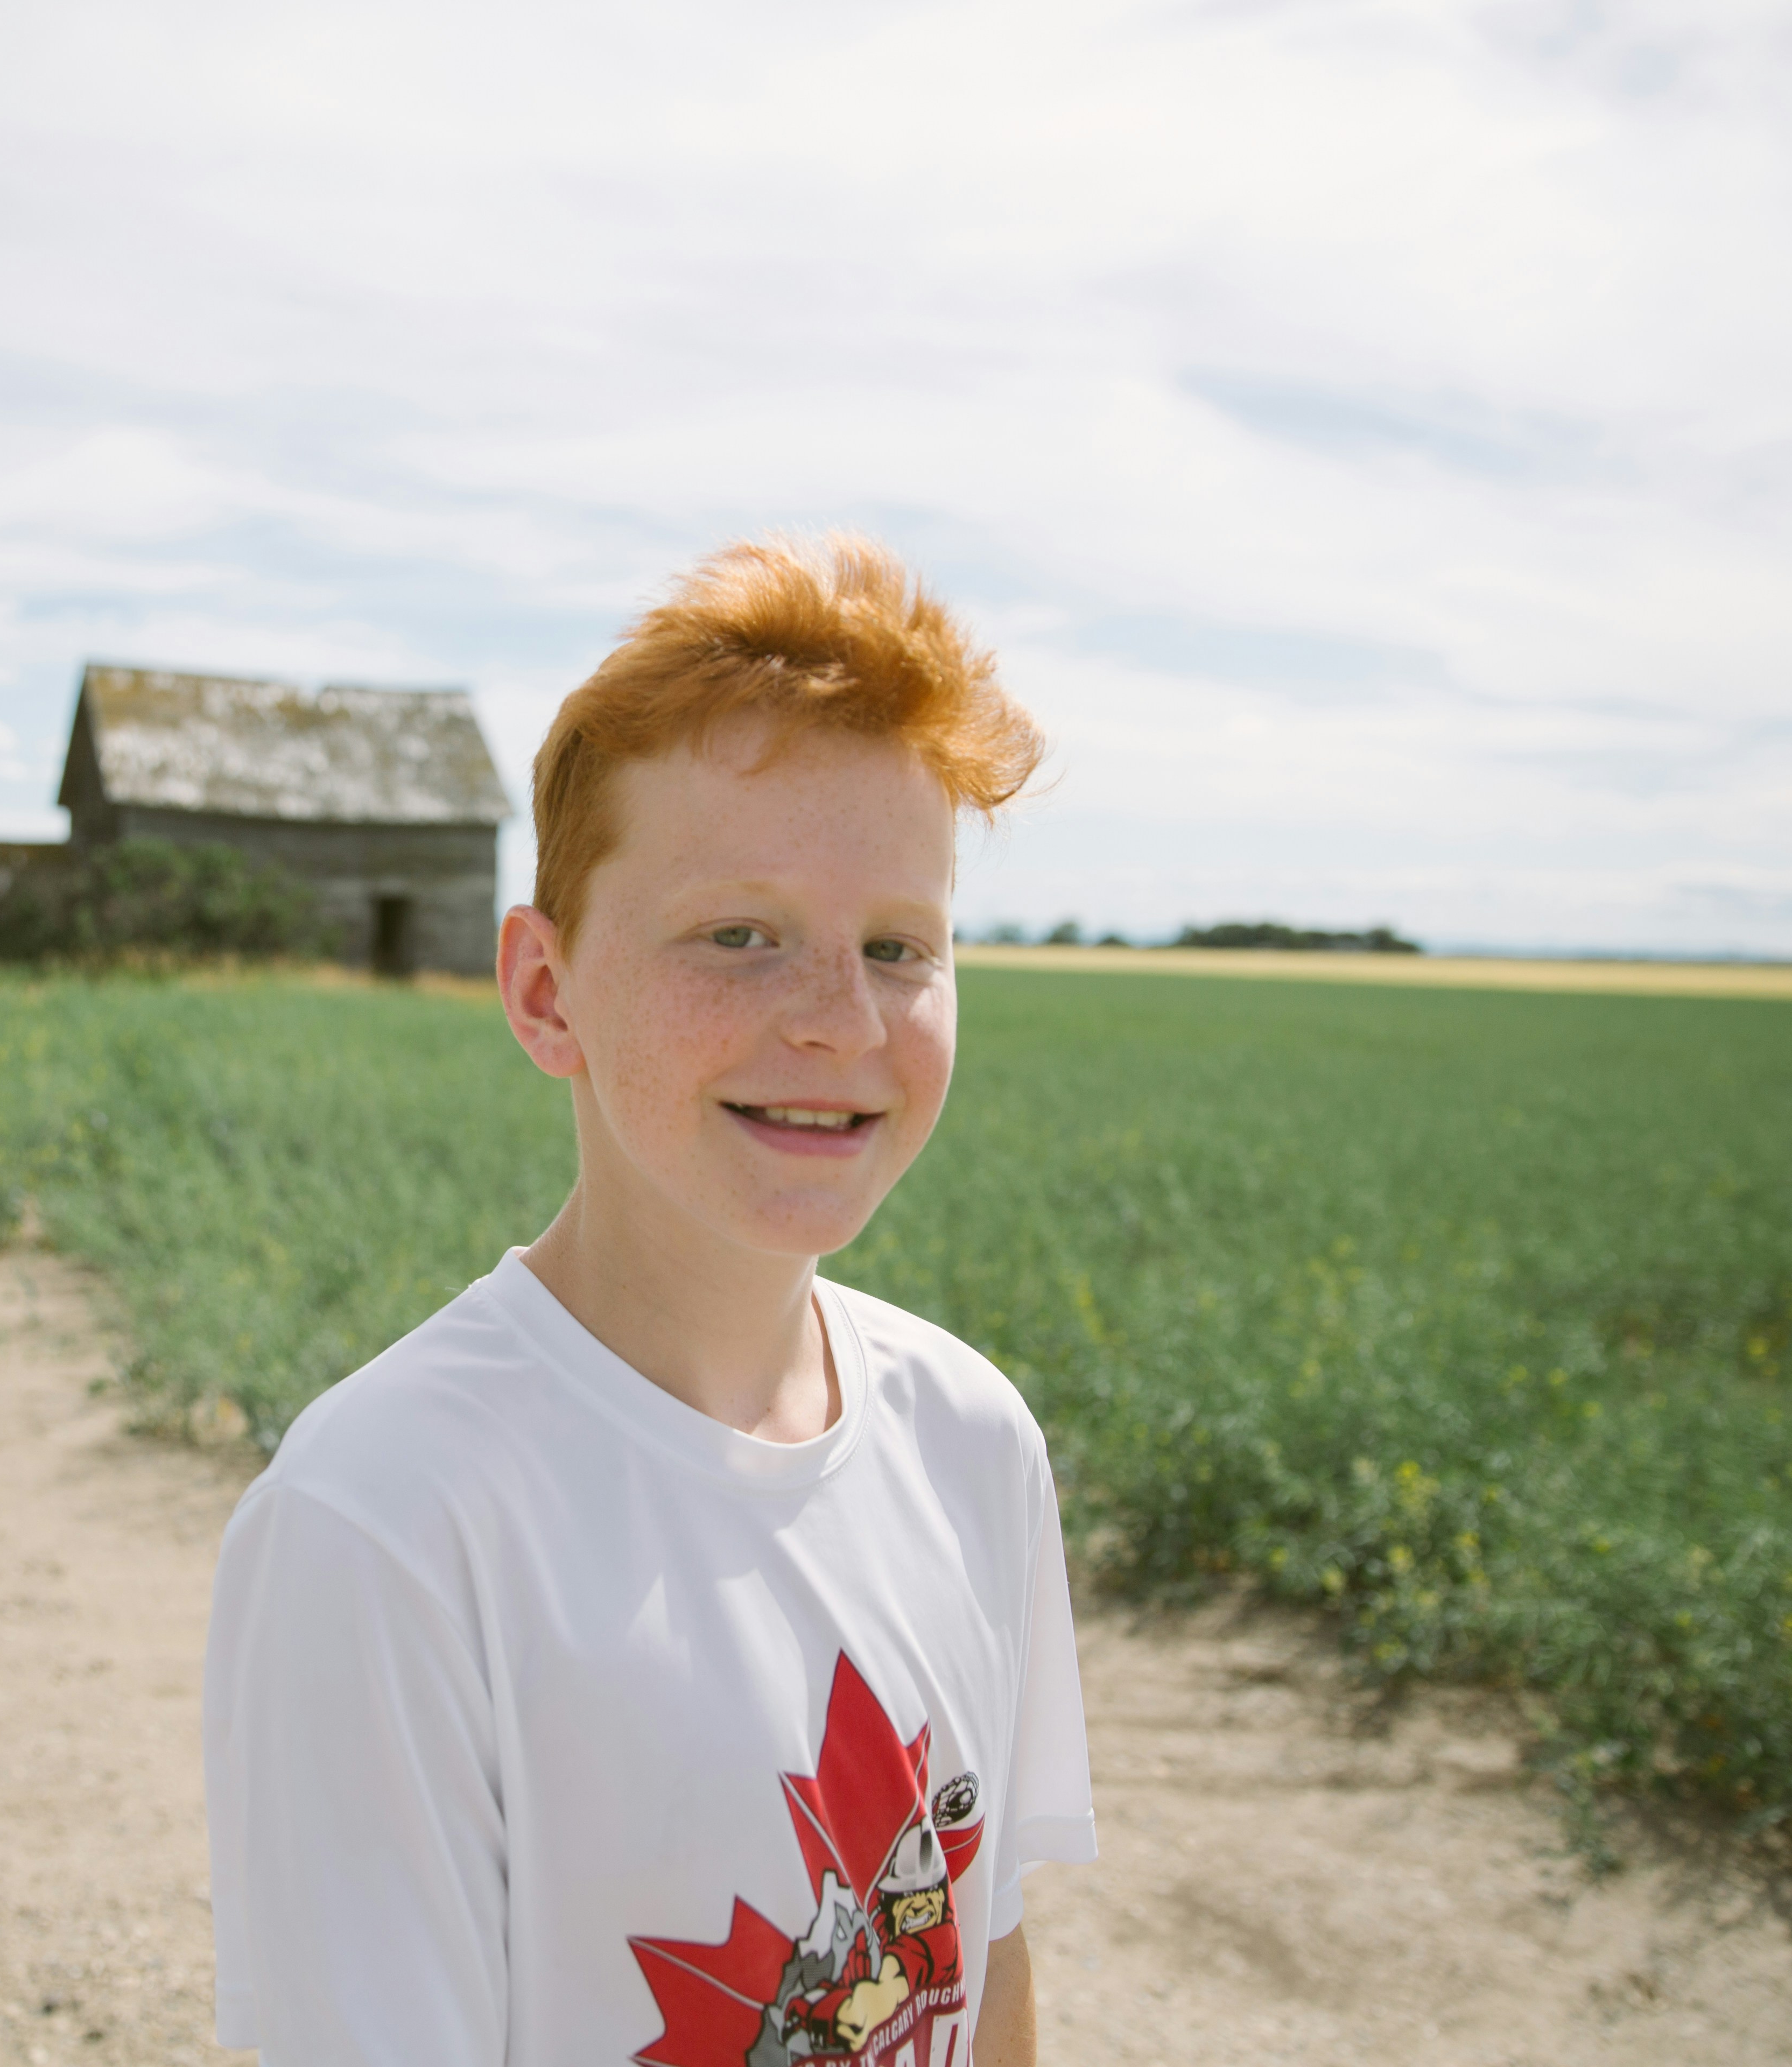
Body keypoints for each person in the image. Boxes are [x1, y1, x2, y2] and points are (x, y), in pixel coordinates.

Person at [203, 535, 1097, 2065]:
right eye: (737, 937)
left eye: (900, 947)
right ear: (546, 992)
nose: (839, 1020)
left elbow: (983, 1950)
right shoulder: (390, 1526)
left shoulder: (971, 1440)